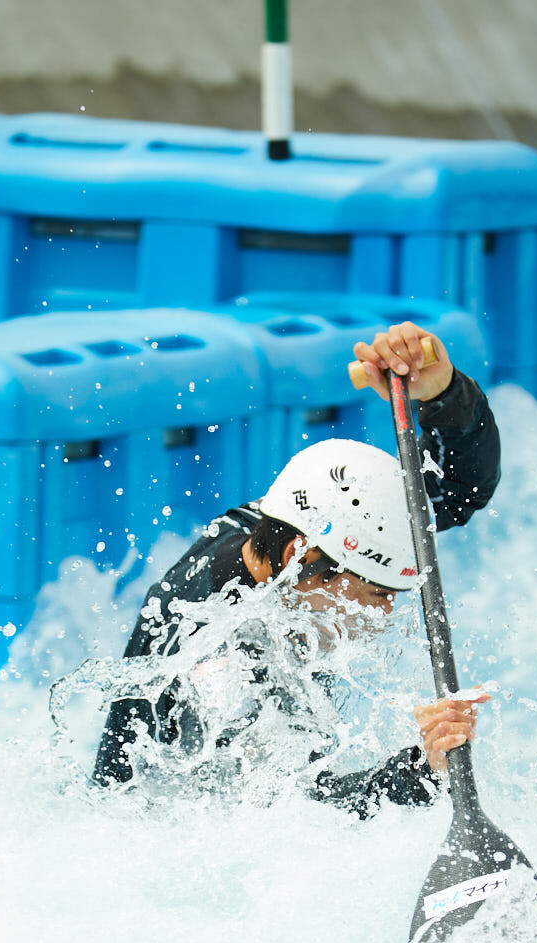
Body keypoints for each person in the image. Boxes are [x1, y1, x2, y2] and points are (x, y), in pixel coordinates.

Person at [93, 322, 501, 817]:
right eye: (377, 593)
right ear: (299, 558)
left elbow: (455, 496)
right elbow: (300, 816)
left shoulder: (278, 527)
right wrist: (422, 768)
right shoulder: (221, 661)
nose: (386, 613)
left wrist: (442, 395)